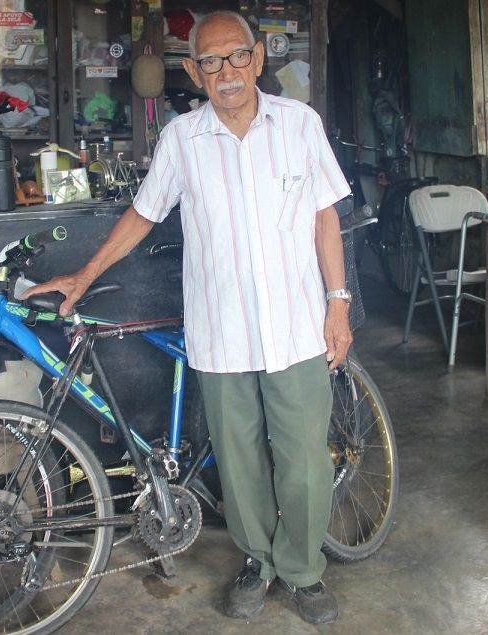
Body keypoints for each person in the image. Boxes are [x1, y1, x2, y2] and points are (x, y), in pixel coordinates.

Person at [25, 10, 351, 625]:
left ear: (258, 60)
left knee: (305, 459)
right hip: (222, 330)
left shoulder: (300, 126)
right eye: (210, 61)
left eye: (236, 57)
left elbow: (324, 218)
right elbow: (143, 215)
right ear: (192, 72)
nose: (225, 72)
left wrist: (339, 304)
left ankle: (304, 572)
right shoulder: (182, 140)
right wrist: (83, 275)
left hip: (298, 326)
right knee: (240, 460)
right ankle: (257, 561)